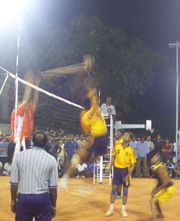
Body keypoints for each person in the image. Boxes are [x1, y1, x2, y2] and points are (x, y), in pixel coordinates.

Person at [62, 87, 108, 185]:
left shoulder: (84, 119)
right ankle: (88, 178)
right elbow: (94, 96)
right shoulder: (96, 108)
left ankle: (66, 177)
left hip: (95, 137)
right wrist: (92, 92)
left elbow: (87, 132)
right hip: (104, 137)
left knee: (79, 155)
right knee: (94, 158)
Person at [10, 131, 58, 221]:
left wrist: (13, 200)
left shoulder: (19, 156)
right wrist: (54, 206)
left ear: (33, 141)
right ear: (46, 143)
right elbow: (53, 187)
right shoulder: (51, 159)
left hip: (24, 197)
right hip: (42, 198)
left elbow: (14, 183)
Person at [8, 72, 41, 163]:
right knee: (17, 166)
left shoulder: (29, 112)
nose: (25, 104)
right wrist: (29, 82)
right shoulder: (18, 112)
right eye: (21, 103)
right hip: (16, 141)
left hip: (25, 140)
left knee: (26, 165)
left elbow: (35, 101)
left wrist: (37, 84)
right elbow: (26, 99)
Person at [105, 132, 136, 217]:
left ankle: (123, 209)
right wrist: (110, 167)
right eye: (125, 135)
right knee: (114, 188)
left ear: (130, 139)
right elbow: (113, 157)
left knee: (125, 189)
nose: (125, 136)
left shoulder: (131, 150)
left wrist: (128, 175)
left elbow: (133, 164)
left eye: (127, 135)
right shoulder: (117, 146)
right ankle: (111, 208)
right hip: (117, 169)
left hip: (125, 170)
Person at [150, 154, 175, 221]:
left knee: (152, 201)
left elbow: (165, 183)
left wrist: (156, 190)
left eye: (155, 158)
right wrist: (156, 188)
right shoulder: (158, 167)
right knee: (154, 199)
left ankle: (154, 219)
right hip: (165, 188)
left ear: (158, 160)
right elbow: (160, 182)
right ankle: (160, 214)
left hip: (168, 189)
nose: (153, 159)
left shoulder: (161, 168)